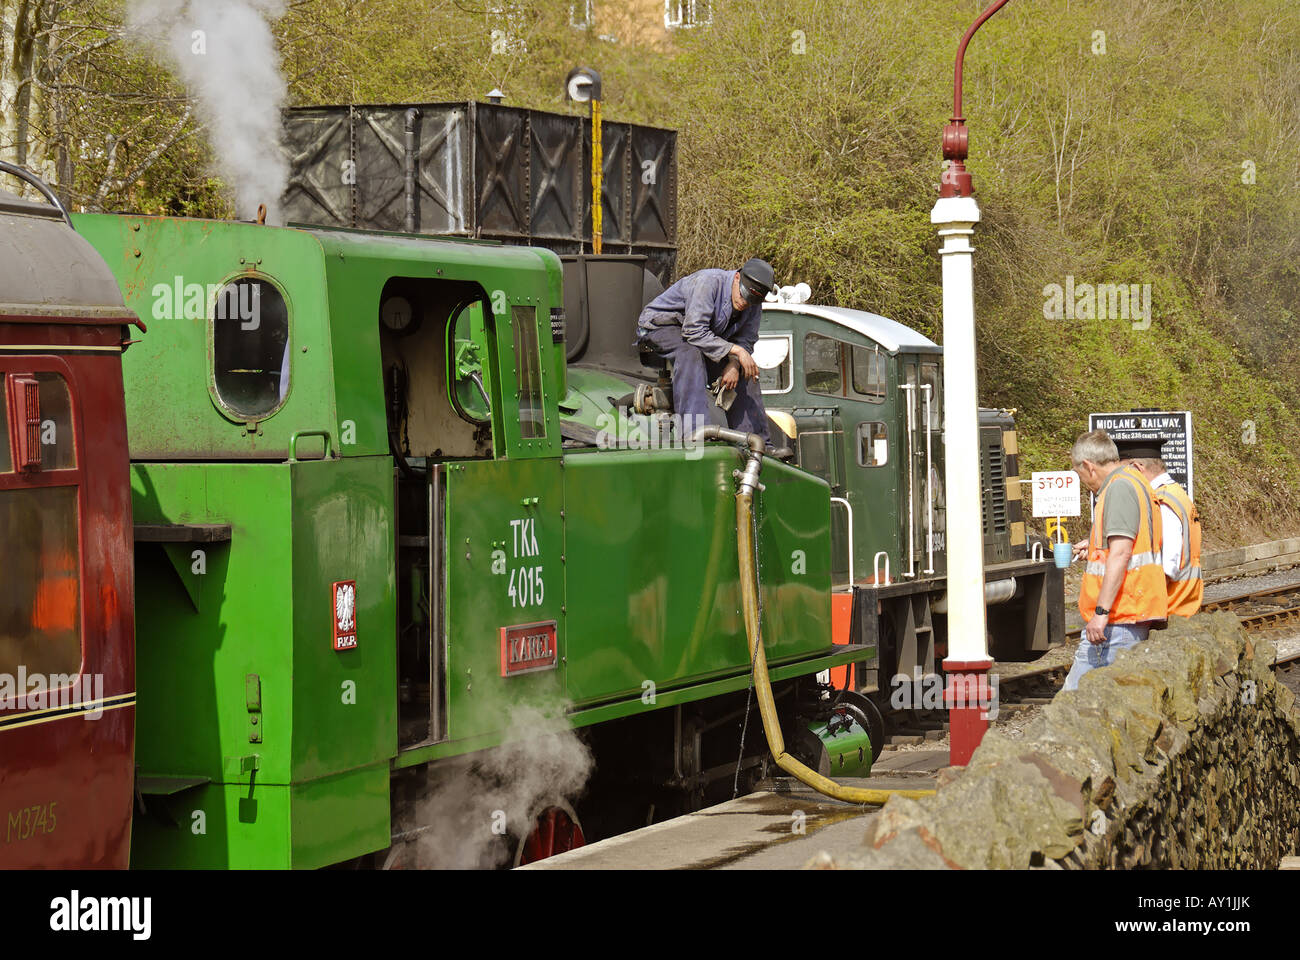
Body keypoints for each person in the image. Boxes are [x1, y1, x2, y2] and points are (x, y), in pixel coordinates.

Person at [1065, 430, 1167, 691]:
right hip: (1128, 613)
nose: (1084, 483)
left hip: (1117, 620)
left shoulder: (1118, 487)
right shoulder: (1134, 479)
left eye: (1080, 476)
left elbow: (1121, 554)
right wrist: (1096, 546)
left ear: (1088, 466)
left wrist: (1100, 613)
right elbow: (1128, 544)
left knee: (1077, 703)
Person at [635, 258, 775, 443]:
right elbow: (693, 331)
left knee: (746, 369)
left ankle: (757, 443)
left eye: (751, 301)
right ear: (737, 278)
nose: (744, 303)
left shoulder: (752, 303)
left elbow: (746, 341)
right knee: (689, 353)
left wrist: (734, 363)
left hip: (701, 338)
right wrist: (736, 352)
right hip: (661, 326)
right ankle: (696, 434)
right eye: (743, 295)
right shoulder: (708, 282)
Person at [1117, 439, 1203, 617]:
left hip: (1169, 607)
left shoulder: (1162, 502)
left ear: (1138, 468)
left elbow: (1166, 566)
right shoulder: (1175, 493)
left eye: (1124, 473)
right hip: (1180, 603)